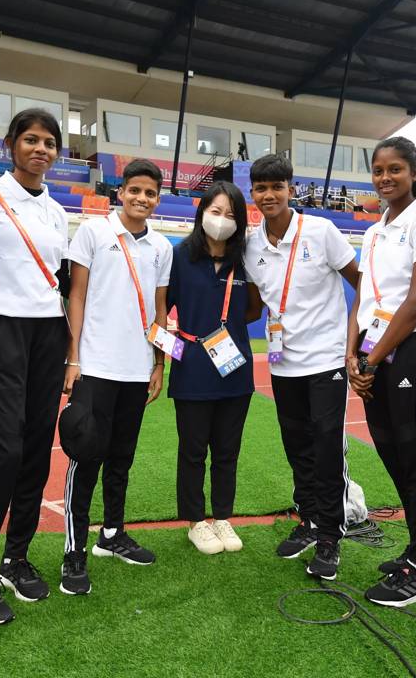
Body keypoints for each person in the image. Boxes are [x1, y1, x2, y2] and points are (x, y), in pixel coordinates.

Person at [0, 108, 70, 625]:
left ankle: (15, 557)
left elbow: (61, 279)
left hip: (48, 330)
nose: (40, 148)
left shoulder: (58, 211)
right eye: (30, 139)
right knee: (3, 452)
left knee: (36, 454)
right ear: (9, 146)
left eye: (48, 142)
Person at [345, 137, 416, 609]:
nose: (385, 178)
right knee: (389, 446)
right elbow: (364, 300)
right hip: (373, 348)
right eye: (378, 170)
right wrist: (353, 355)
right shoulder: (373, 230)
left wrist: (371, 358)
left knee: (415, 452)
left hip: (410, 347)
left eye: (395, 169)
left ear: (413, 173)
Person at [244, 154, 359, 580]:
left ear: (291, 189)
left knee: (327, 446)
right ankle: (309, 521)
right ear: (252, 193)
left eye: (277, 186)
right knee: (297, 445)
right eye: (260, 188)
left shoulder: (322, 231)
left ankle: (330, 535)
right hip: (282, 362)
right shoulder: (251, 244)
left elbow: (362, 283)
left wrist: (355, 341)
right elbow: (255, 306)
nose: (269, 195)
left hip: (327, 359)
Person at [60, 159, 172, 596]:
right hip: (96, 367)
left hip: (136, 368)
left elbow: (161, 312)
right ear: (120, 193)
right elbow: (77, 295)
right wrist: (74, 359)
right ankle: (74, 550)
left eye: (150, 194)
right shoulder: (93, 232)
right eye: (135, 191)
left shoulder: (162, 247)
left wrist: (159, 364)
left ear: (157, 200)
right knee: (87, 456)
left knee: (121, 458)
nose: (142, 199)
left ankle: (112, 533)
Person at [168, 181, 261, 555]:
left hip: (235, 371)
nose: (222, 221)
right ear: (202, 212)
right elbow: (163, 307)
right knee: (193, 451)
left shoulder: (245, 261)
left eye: (231, 215)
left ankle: (222, 516)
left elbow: (253, 309)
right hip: (192, 371)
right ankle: (196, 521)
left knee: (227, 450)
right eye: (216, 212)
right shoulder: (179, 256)